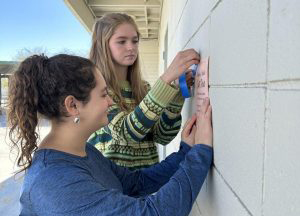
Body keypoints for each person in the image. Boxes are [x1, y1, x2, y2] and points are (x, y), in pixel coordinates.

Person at [8, 54, 213, 216]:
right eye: (104, 94)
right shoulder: (55, 183)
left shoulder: (83, 151)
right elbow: (155, 212)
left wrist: (186, 151)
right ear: (73, 105)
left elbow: (136, 182)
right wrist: (201, 152)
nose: (111, 102)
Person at [88, 13, 198, 169]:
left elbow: (163, 136)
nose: (131, 47)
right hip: (111, 187)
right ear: (102, 45)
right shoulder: (95, 90)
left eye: (135, 41)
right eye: (122, 41)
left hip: (147, 184)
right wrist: (166, 79)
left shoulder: (144, 88)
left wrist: (176, 92)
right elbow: (126, 133)